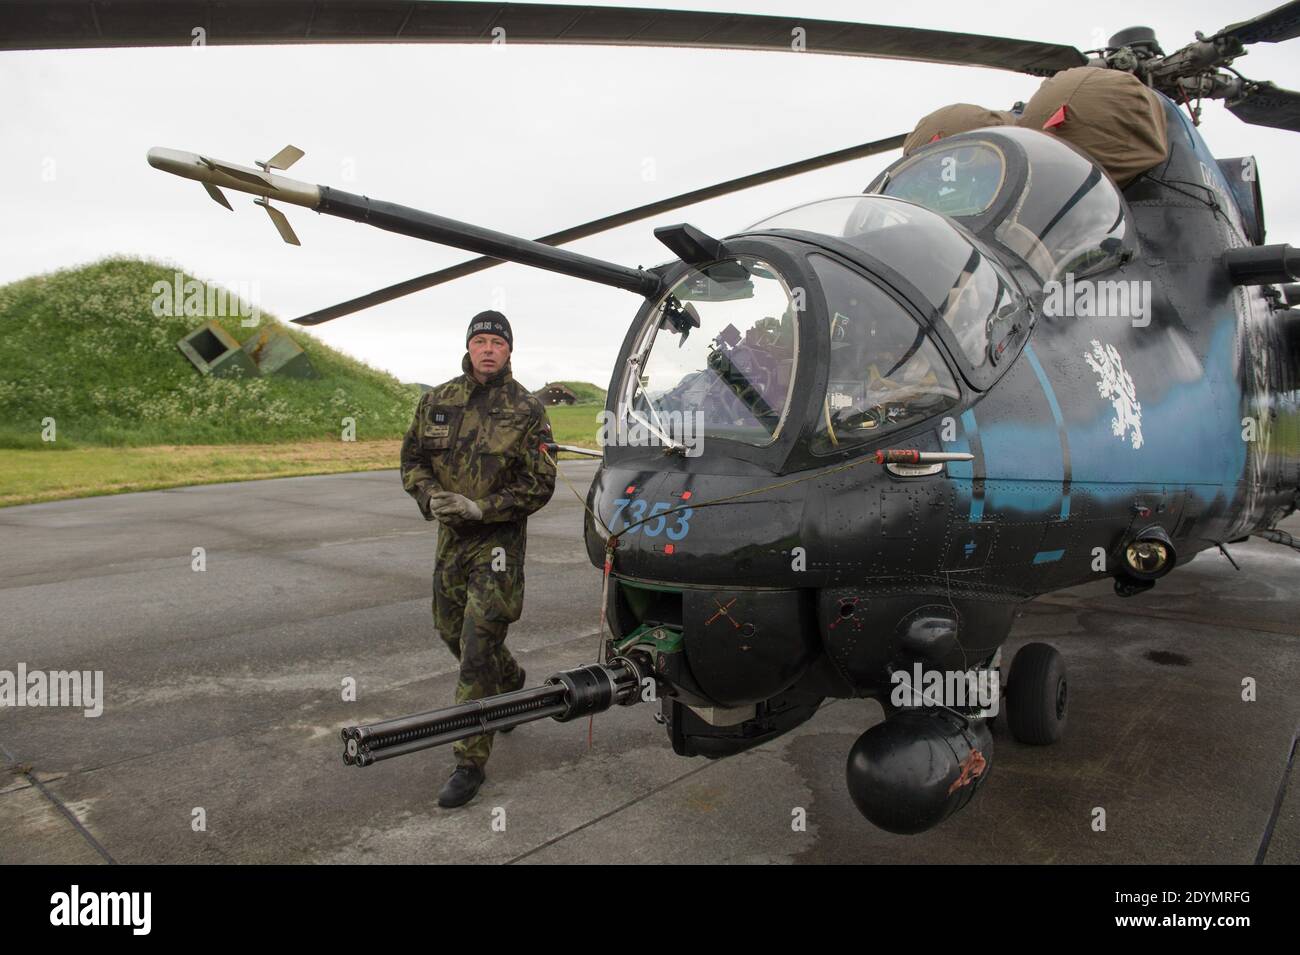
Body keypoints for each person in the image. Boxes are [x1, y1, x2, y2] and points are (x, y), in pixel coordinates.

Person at [399, 310, 557, 808]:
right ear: (469, 347)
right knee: (448, 629)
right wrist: (429, 497)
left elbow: (540, 481)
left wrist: (483, 507)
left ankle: (469, 761)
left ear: (510, 351)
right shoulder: (436, 400)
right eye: (481, 341)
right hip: (451, 540)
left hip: (498, 546)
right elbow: (412, 460)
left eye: (498, 343)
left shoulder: (527, 409)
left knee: (476, 649)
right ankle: (510, 683)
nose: (488, 349)